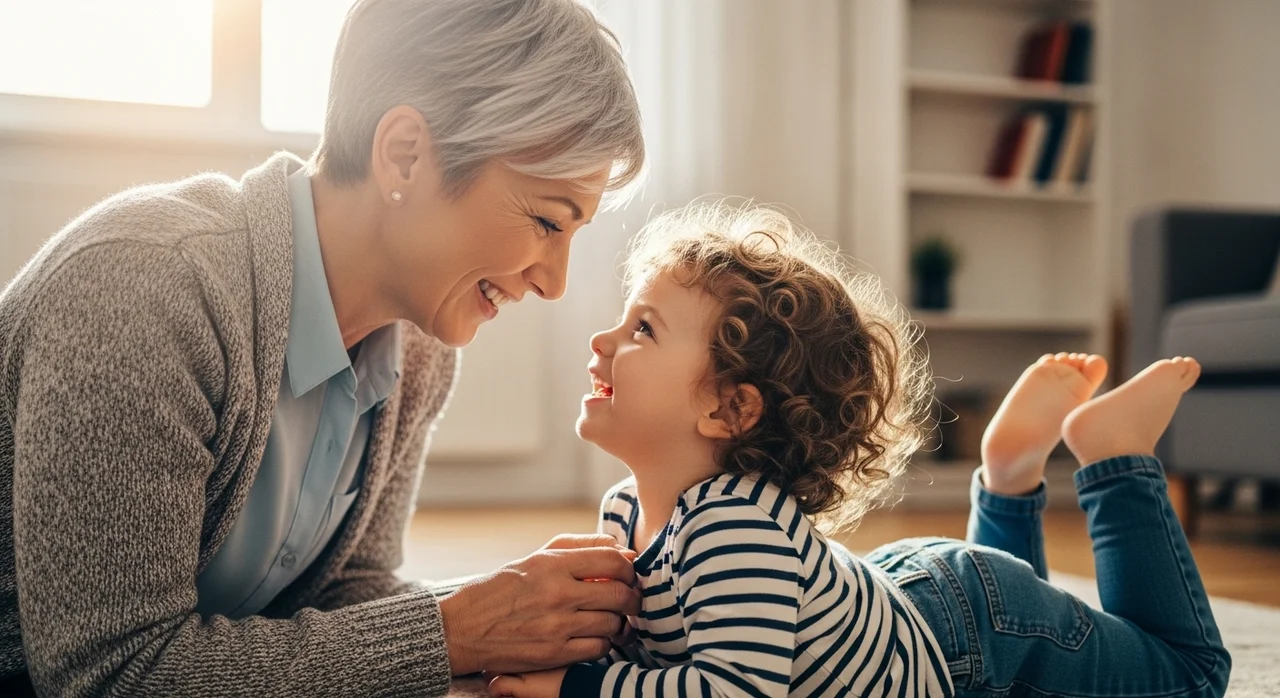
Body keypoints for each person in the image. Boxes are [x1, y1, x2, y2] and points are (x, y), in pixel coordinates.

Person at [0, 0, 647, 695]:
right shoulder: (143, 288)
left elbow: (346, 589)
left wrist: (517, 616)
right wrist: (456, 628)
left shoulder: (420, 348)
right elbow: (113, 674)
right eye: (548, 221)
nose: (555, 284)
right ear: (404, 155)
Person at [486, 202, 1232, 697]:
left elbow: (736, 691)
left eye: (641, 330)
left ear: (729, 407)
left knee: (1190, 677)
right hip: (914, 607)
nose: (602, 342)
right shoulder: (628, 511)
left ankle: (1115, 459)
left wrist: (574, 687)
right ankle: (1007, 477)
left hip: (972, 639)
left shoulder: (734, 530)